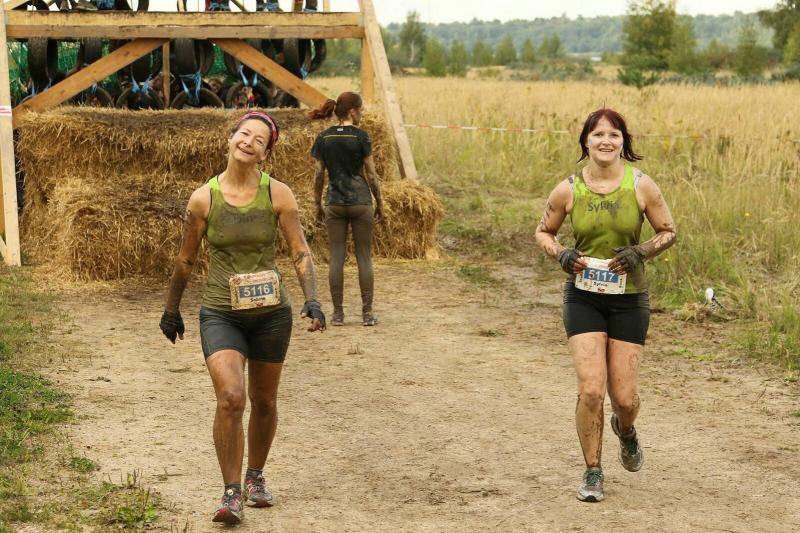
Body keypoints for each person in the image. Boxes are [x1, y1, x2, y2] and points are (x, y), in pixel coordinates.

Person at [159, 111, 326, 524]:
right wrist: (171, 309)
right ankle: (231, 491)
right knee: (231, 397)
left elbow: (300, 250)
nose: (248, 141)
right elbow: (185, 259)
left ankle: (255, 477)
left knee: (264, 401)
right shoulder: (204, 198)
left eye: (259, 140)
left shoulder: (278, 194)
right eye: (244, 133)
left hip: (271, 315)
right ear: (231, 138)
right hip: (221, 312)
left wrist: (313, 298)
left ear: (265, 153)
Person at [534, 108, 676, 503]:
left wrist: (640, 252)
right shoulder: (567, 189)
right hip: (583, 298)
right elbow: (543, 231)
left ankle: (625, 430)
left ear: (623, 142)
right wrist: (561, 254)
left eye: (613, 134)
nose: (605, 141)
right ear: (586, 141)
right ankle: (593, 471)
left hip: (629, 300)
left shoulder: (641, 185)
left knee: (624, 399)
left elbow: (668, 231)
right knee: (592, 390)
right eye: (597, 134)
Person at [309, 91, 385, 326]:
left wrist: (317, 203)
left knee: (336, 257)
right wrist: (380, 202)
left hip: (335, 202)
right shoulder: (361, 137)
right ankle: (367, 314)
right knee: (364, 257)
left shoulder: (324, 137)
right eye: (361, 110)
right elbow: (371, 175)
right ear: (352, 112)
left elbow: (318, 174)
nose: (363, 113)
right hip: (361, 201)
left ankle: (338, 314)